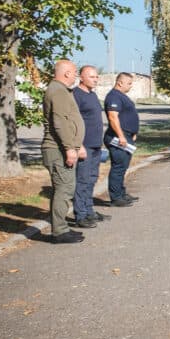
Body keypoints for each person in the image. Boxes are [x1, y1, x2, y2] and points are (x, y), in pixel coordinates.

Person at [41, 59, 86, 244]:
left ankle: (61, 228)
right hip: (57, 149)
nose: (76, 75)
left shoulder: (60, 90)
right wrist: (69, 148)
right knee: (64, 189)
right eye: (75, 72)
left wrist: (77, 145)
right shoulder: (58, 91)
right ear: (67, 73)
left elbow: (69, 121)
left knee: (63, 188)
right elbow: (59, 122)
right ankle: (59, 232)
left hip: (61, 148)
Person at [71, 65, 109, 229]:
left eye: (96, 77)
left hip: (95, 145)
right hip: (84, 146)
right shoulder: (76, 95)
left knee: (92, 179)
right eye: (92, 77)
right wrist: (78, 145)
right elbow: (72, 123)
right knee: (83, 180)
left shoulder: (92, 95)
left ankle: (89, 211)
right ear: (81, 77)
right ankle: (80, 215)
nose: (96, 79)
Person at [104, 72, 140, 207]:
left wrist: (133, 133)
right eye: (129, 83)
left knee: (123, 166)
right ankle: (116, 197)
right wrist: (121, 136)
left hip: (126, 136)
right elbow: (113, 117)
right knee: (118, 167)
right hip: (118, 137)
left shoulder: (121, 96)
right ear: (120, 83)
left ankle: (121, 193)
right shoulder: (113, 96)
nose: (131, 86)